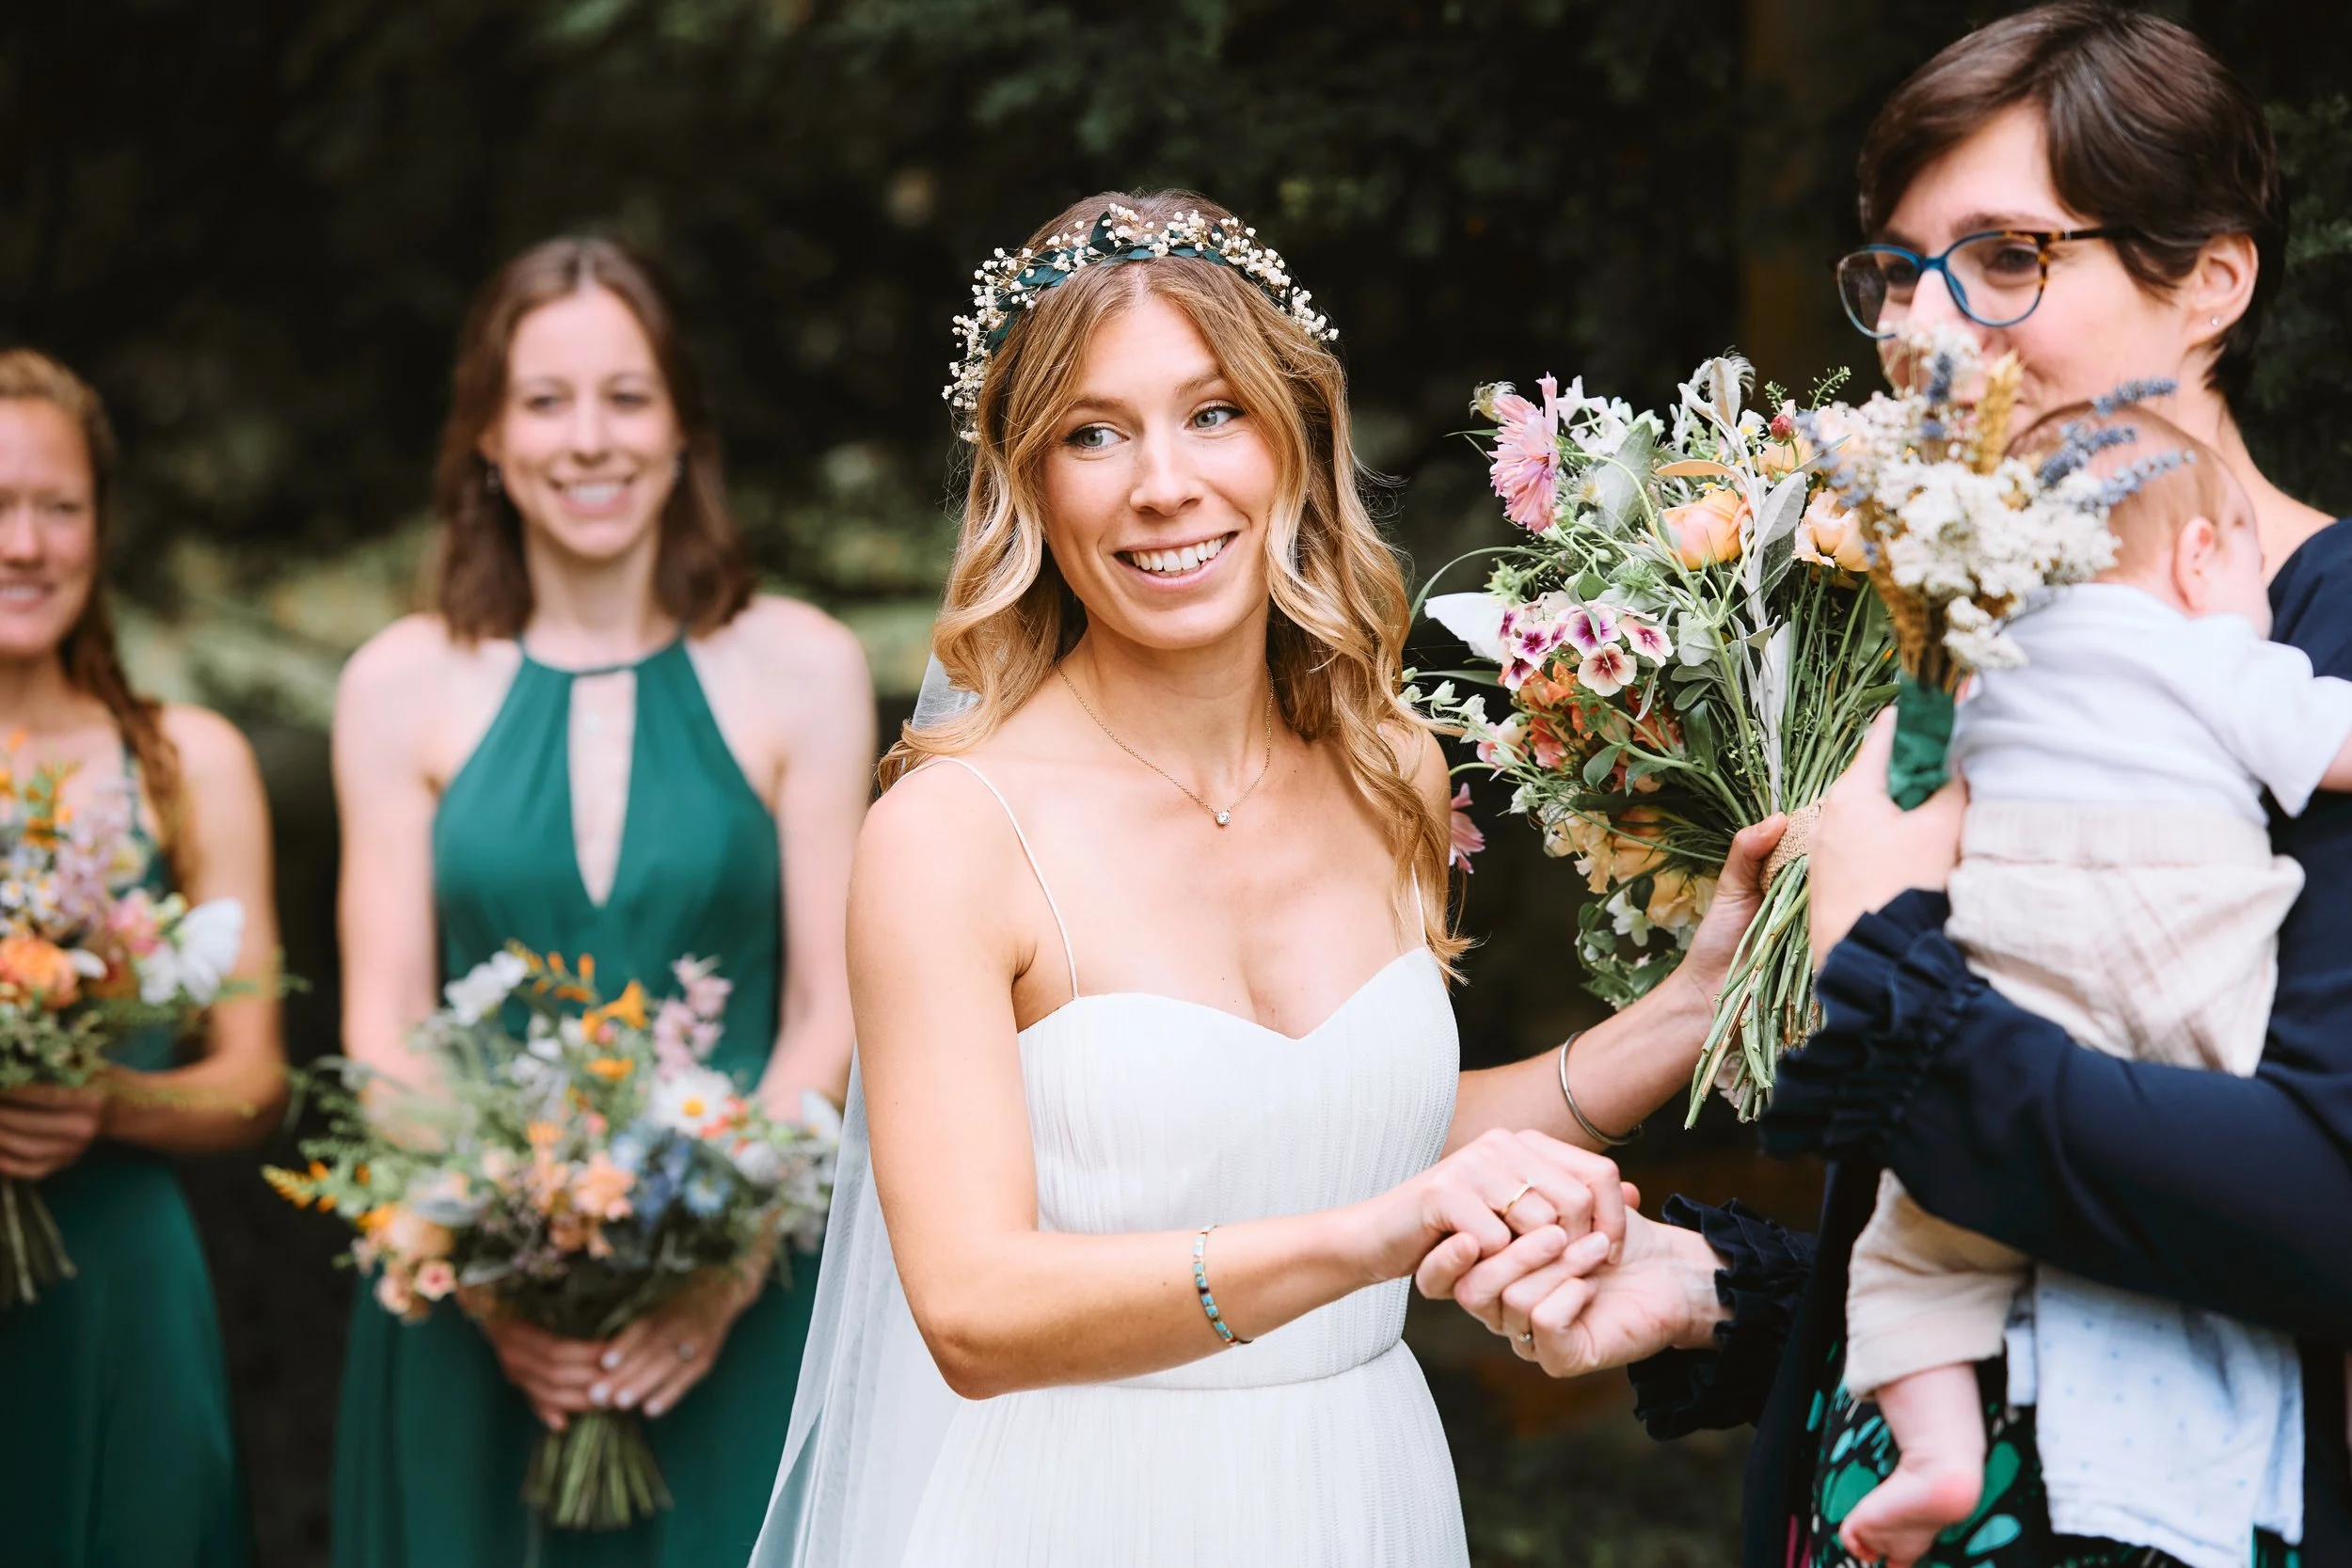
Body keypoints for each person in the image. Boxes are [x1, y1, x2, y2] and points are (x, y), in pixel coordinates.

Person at [1427, 7, 2352, 1566]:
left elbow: (2321, 1204)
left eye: (2005, 259)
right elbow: (2009, 1188)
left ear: (2213, 278)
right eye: (1901, 271)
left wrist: (1872, 942)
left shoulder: (2319, 655)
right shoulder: (1954, 633)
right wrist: (1726, 1288)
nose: (1926, 334)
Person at [752, 189, 1787, 1568]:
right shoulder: (953, 832)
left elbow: (1366, 1131)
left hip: (1362, 1484)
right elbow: (973, 1306)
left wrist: (1698, 1001)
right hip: (1076, 1507)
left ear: (1295, 435)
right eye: (1093, 433)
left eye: (1214, 410)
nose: (1162, 481)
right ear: (1030, 482)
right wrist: (1375, 1237)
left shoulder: (1386, 767)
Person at [329, 237, 873, 1568]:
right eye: (546, 400)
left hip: (737, 1310)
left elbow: (834, 1006)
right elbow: (388, 1027)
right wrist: (493, 1269)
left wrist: (725, 1259)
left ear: (683, 429)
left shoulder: (803, 665)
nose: (591, 439)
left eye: (628, 397)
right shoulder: (400, 681)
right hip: (468, 1318)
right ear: (487, 440)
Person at [1837, 409, 2352, 1568]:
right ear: (2199, 558)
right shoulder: (2226, 654)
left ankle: (1936, 1454)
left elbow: (1911, 775)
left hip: (2023, 962)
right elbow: (2332, 744)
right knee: (2197, 1153)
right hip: (2196, 969)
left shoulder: (1991, 668)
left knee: (1911, 1246)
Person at [0, 348, 288, 1568]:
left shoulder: (188, 760)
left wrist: (102, 1100)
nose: (25, 542)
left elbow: (255, 1079)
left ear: (100, 528)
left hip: (122, 1286)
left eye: (58, 506)